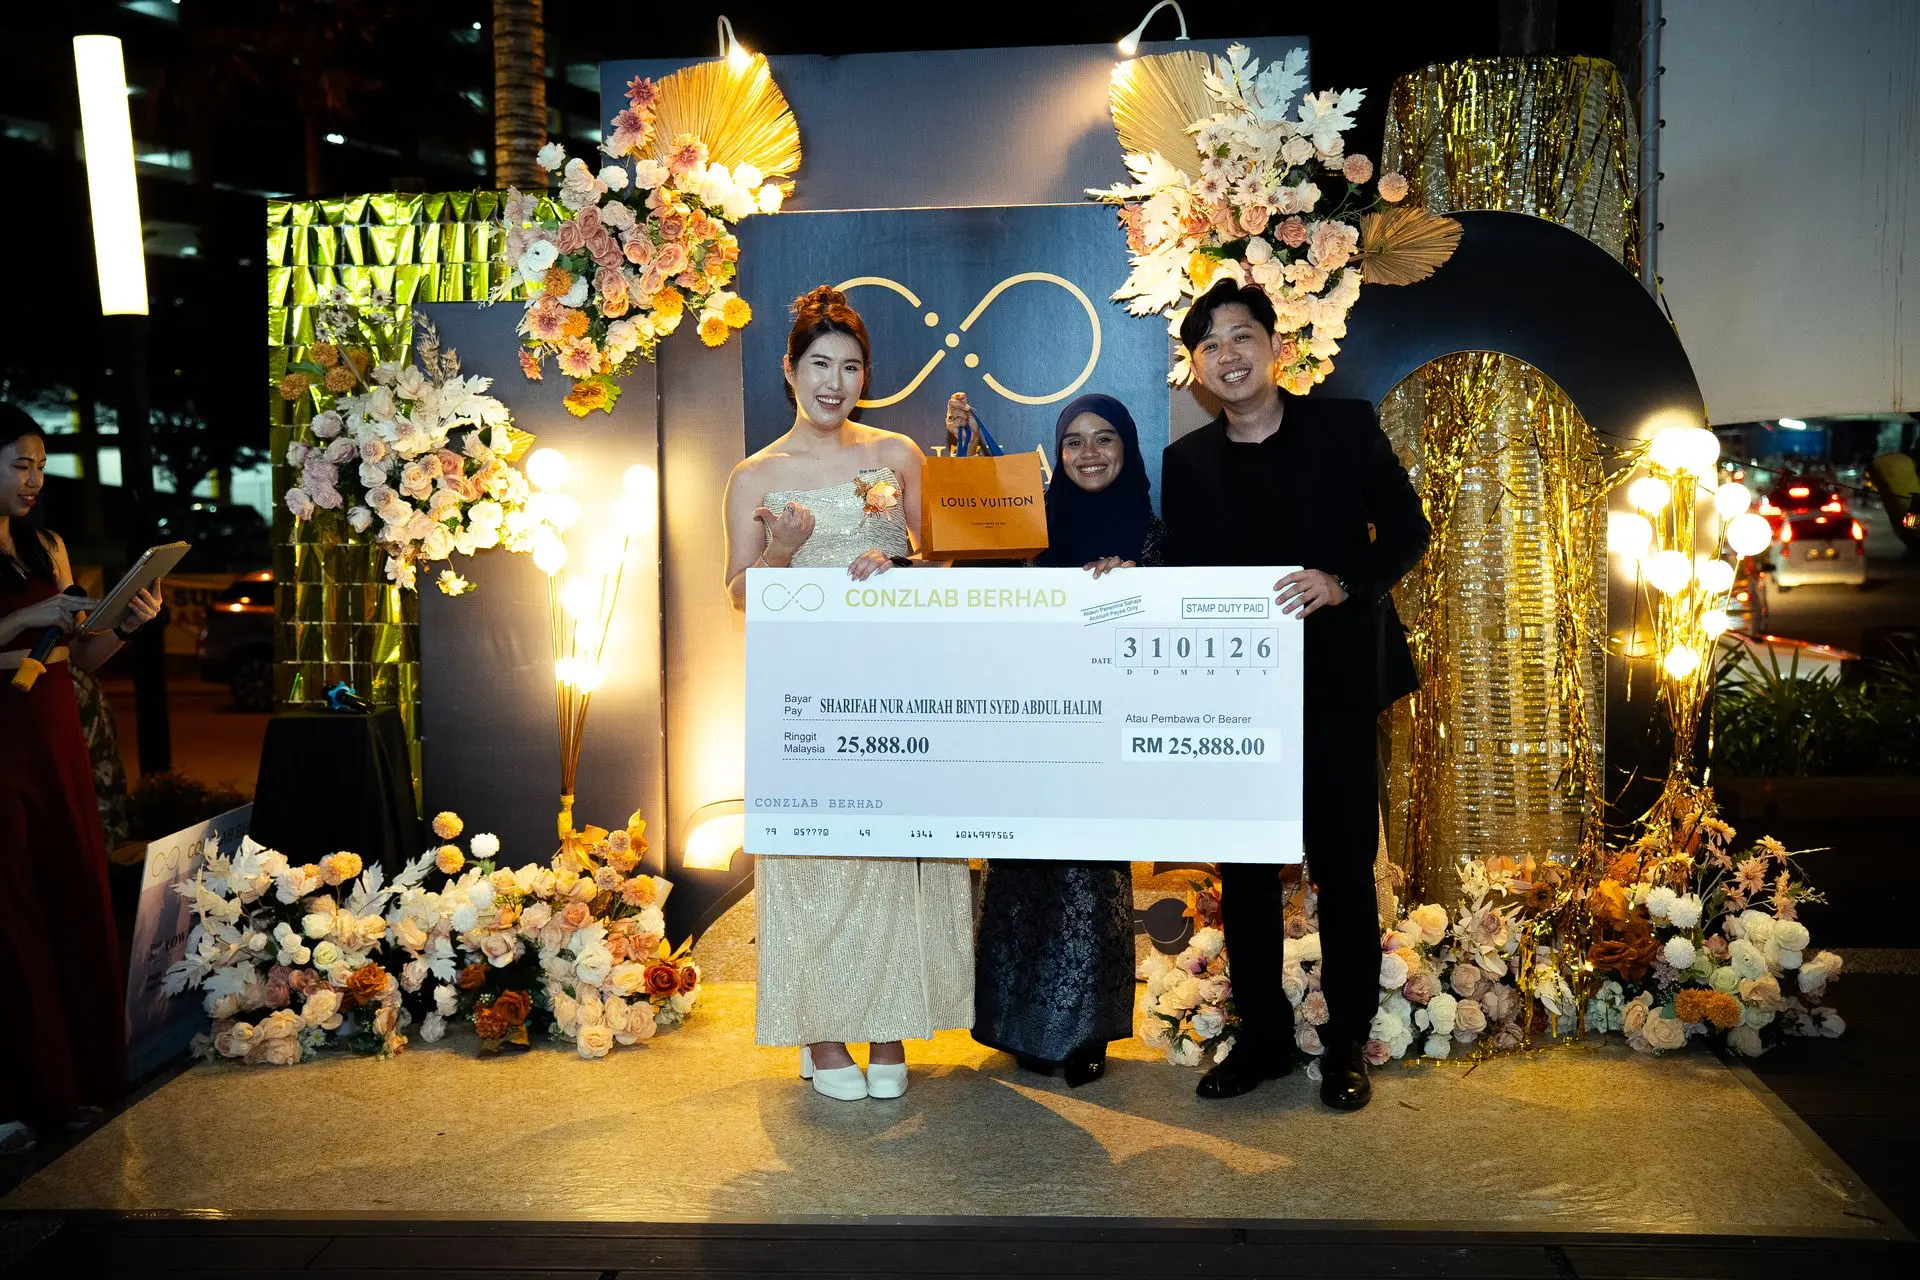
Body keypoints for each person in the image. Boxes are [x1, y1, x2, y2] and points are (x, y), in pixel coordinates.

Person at [1159, 280, 1430, 1110]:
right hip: (1238, 701)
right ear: (1197, 368)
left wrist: (1344, 580)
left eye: (1241, 336)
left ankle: (1346, 1041)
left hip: (1337, 684)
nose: (1228, 355)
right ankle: (1264, 1040)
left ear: (1276, 347)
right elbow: (1180, 575)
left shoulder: (1342, 428)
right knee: (1244, 873)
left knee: (1342, 868)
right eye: (1209, 345)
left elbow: (1409, 529)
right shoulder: (1187, 462)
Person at [721, 287, 974, 1102]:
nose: (835, 383)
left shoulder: (896, 455)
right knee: (815, 857)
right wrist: (780, 554)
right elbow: (739, 592)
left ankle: (890, 1024)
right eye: (820, 365)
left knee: (895, 851)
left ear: (867, 376)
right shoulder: (756, 476)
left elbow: (944, 557)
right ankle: (820, 1033)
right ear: (789, 370)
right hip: (805, 694)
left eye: (851, 367)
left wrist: (901, 564)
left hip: (898, 679)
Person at [961, 391, 1157, 1087]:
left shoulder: (1155, 534)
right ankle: (1016, 1022)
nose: (1088, 453)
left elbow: (1176, 616)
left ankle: (1087, 1031)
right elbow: (972, 576)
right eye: (1073, 441)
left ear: (1128, 447)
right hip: (1029, 723)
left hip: (1103, 732)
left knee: (1089, 880)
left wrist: (1141, 585)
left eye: (1105, 438)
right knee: (1021, 872)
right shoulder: (1031, 527)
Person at [0, 403, 163, 1154]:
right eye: (19, 465)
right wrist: (21, 624)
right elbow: (26, 632)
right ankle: (20, 1095)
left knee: (72, 890)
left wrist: (122, 623)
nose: (33, 479)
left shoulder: (47, 544)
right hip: (5, 739)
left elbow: (81, 657)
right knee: (12, 912)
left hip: (56, 731)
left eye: (40, 466)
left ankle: (75, 1084)